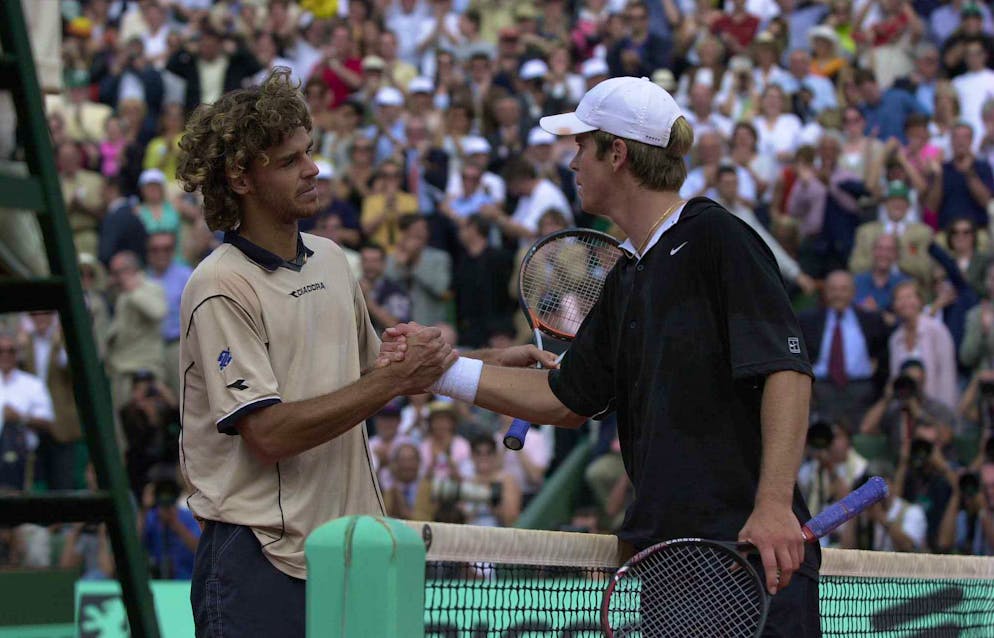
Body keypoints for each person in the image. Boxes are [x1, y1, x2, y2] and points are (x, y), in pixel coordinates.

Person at [385, 76, 820, 634]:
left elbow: (786, 369)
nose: (571, 164)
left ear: (616, 154)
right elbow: (567, 399)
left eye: (579, 148)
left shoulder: (718, 237)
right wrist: (440, 372)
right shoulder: (628, 274)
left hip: (750, 553)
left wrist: (774, 506)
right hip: (668, 560)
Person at [174, 70, 549, 637]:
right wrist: (397, 382)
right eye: (289, 161)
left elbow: (379, 370)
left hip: (345, 553)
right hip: (258, 561)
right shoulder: (220, 285)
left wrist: (491, 363)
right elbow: (269, 433)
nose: (313, 169)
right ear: (240, 178)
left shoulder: (328, 259)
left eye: (310, 152)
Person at [799, 270, 890, 431]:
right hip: (820, 390)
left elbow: (884, 358)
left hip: (861, 392)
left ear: (853, 292)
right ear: (825, 292)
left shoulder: (872, 320)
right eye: (833, 289)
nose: (838, 294)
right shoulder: (807, 321)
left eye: (843, 289)